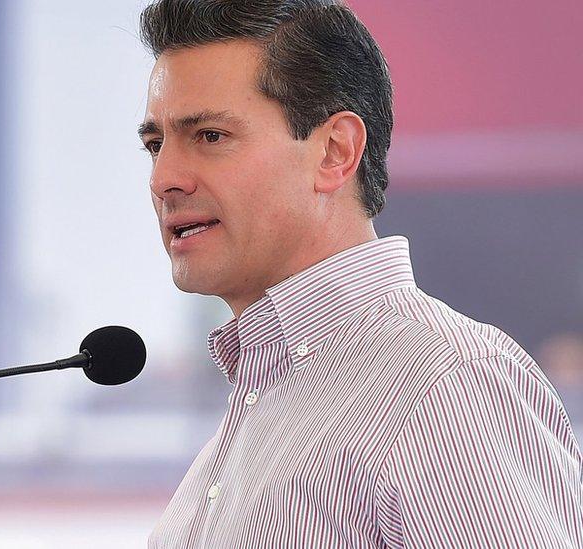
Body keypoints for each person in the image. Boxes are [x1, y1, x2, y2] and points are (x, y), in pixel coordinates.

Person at [135, 1, 583, 547]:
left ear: (334, 152)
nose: (165, 178)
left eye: (209, 136)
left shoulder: (444, 386)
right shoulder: (258, 407)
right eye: (155, 145)